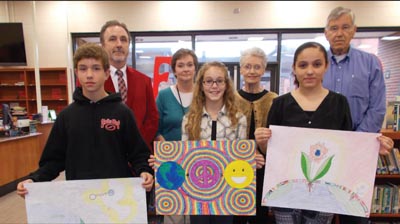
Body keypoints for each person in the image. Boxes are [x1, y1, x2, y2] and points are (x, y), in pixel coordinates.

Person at [16, 43, 154, 198]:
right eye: (83, 68)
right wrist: (34, 180)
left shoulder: (122, 113)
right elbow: (53, 161)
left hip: (116, 198)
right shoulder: (66, 116)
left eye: (96, 68)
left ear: (107, 73)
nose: (89, 74)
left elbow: (138, 153)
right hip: (79, 198)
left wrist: (144, 171)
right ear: (76, 73)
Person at [322, 7, 393, 223]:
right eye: (334, 28)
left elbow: (377, 107)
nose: (339, 33)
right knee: (319, 209)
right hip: (322, 148)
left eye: (345, 27)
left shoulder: (370, 63)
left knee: (353, 213)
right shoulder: (317, 63)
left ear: (354, 31)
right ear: (326, 33)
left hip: (359, 150)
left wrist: (355, 141)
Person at [182, 61, 247, 224]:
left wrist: (251, 160)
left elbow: (241, 160)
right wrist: (165, 162)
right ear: (202, 85)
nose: (214, 86)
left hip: (226, 193)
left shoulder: (238, 119)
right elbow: (183, 159)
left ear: (226, 85)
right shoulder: (189, 120)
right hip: (196, 193)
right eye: (209, 81)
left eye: (219, 81)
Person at [233, 47, 278, 224]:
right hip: (236, 164)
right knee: (236, 212)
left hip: (264, 166)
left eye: (257, 67)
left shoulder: (274, 99)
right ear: (241, 69)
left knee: (261, 212)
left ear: (264, 69)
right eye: (248, 66)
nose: (252, 71)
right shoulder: (231, 98)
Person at [154, 48, 199, 224]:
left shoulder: (204, 94)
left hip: (197, 160)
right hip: (171, 162)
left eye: (189, 64)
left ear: (196, 68)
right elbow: (155, 128)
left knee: (196, 210)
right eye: (180, 65)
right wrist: (167, 151)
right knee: (174, 213)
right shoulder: (164, 95)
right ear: (174, 70)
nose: (185, 69)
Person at [100, 20, 159, 151]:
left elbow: (152, 118)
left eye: (123, 40)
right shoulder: (95, 82)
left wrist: (136, 144)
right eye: (113, 39)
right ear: (103, 46)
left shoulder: (144, 81)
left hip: (139, 156)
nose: (119, 44)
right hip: (106, 155)